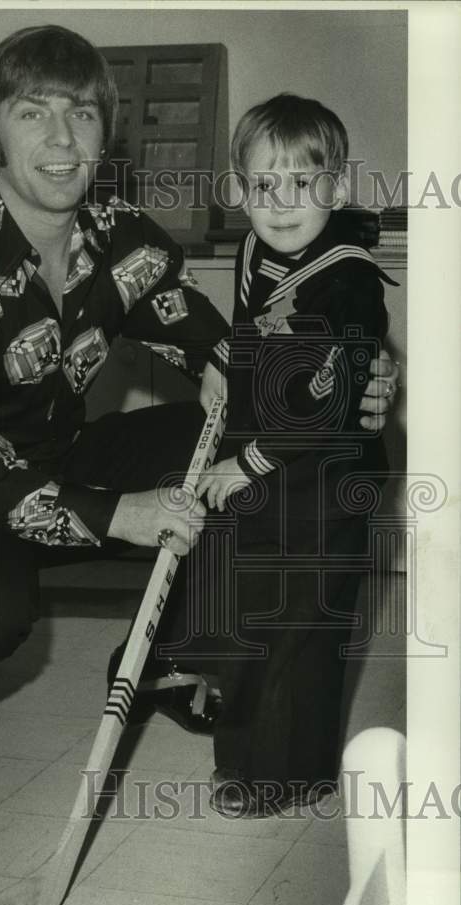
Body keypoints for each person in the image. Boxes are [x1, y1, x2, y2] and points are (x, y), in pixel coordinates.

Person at [0, 28, 397, 768]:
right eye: (31, 113)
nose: (61, 137)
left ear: (104, 137)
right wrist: (125, 513)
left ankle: (162, 657)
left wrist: (355, 379)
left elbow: (228, 358)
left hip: (63, 458)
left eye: (80, 114)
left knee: (252, 458)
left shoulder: (122, 241)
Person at [153, 93, 400, 817]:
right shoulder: (253, 247)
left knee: (301, 631)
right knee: (245, 604)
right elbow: (251, 326)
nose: (281, 202)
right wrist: (218, 360)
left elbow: (325, 406)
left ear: (339, 185)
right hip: (271, 467)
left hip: (327, 480)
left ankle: (283, 775)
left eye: (303, 183)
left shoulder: (350, 283)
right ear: (238, 189)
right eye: (263, 185)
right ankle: (230, 733)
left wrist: (245, 465)